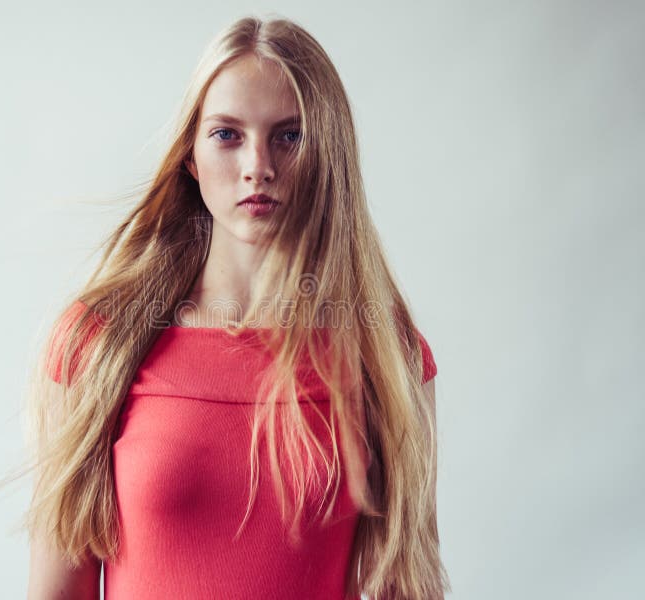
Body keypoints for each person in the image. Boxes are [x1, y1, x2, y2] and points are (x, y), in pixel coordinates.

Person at [22, 15, 450, 600]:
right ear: (190, 158)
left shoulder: (386, 352)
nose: (258, 166)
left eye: (289, 135)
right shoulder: (97, 343)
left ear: (330, 156)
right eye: (227, 134)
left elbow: (409, 584)